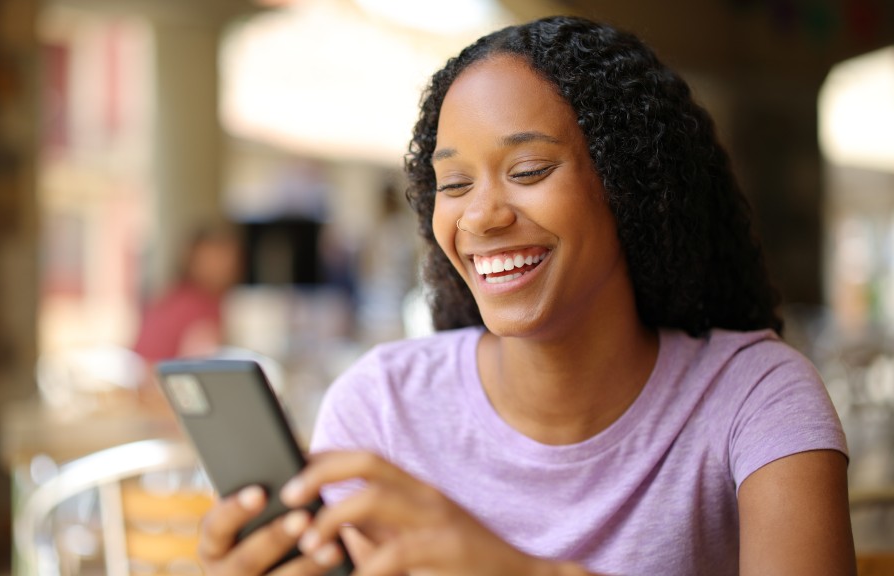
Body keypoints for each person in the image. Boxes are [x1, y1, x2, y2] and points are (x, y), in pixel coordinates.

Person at [196, 16, 856, 576]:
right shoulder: (380, 408)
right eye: (453, 184)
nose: (481, 216)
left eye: (529, 170)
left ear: (630, 186)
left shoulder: (755, 395)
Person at [133, 222, 243, 402]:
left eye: (229, 257)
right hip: (161, 401)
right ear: (193, 260)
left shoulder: (191, 298)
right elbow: (200, 372)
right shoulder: (194, 306)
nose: (225, 265)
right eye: (215, 257)